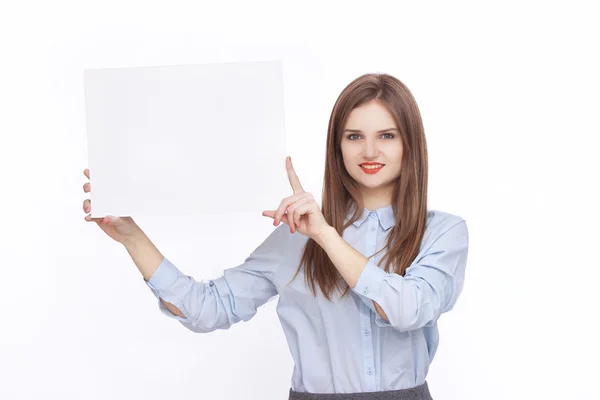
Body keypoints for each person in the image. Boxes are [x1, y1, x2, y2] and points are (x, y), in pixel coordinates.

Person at [82, 73, 469, 400]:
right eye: (354, 136)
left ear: (410, 144)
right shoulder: (296, 237)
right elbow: (208, 308)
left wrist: (326, 236)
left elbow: (408, 309)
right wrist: (131, 236)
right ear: (337, 145)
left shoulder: (441, 233)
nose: (370, 150)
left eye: (387, 135)